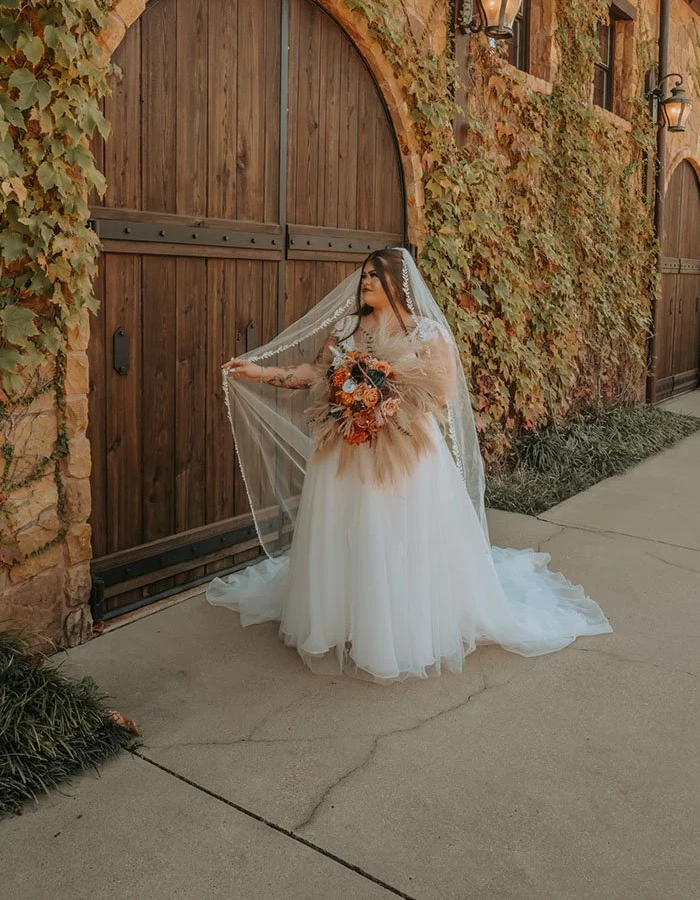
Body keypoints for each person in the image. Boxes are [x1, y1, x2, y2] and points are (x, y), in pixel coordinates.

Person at [205, 247, 612, 684]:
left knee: (397, 530)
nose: (365, 283)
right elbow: (317, 373)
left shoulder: (428, 333)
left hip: (404, 448)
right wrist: (260, 372)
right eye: (363, 276)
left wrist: (386, 395)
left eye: (374, 277)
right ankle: (344, 615)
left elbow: (442, 392)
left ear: (397, 284)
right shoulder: (346, 328)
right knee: (348, 527)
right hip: (345, 445)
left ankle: (400, 623)